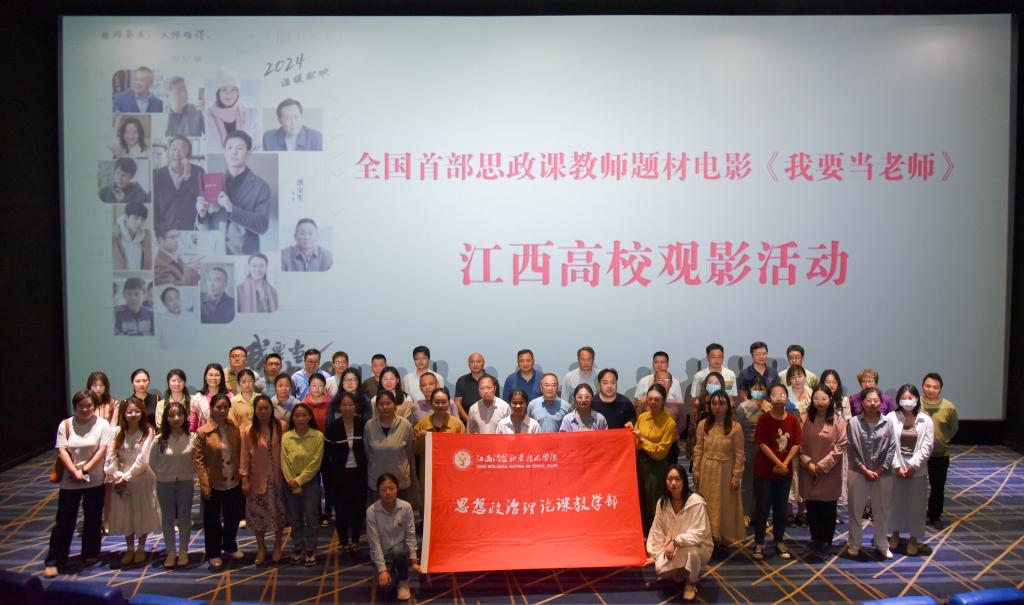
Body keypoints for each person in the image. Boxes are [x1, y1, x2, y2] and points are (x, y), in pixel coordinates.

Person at [43, 390, 112, 578]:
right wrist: (74, 471)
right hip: (70, 479)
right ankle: (55, 560)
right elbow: (62, 451)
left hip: (94, 478)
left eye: (89, 406)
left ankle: (90, 552)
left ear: (95, 406)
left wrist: (85, 470)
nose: (85, 409)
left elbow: (102, 450)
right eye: (81, 406)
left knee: (93, 517)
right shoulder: (65, 425)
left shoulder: (102, 424)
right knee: (64, 520)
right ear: (75, 407)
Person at [104, 396, 160, 566]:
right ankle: (129, 548)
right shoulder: (116, 431)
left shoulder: (148, 431)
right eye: (129, 411)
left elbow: (143, 459)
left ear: (142, 413)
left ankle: (141, 548)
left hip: (141, 477)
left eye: (137, 411)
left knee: (141, 512)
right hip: (120, 477)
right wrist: (117, 476)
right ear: (124, 413)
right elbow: (111, 456)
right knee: (126, 513)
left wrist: (126, 477)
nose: (133, 414)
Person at [197, 130, 271, 255]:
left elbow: (262, 225)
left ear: (248, 154)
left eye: (239, 148)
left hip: (245, 255)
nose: (233, 152)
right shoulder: (212, 182)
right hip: (215, 252)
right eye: (229, 148)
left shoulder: (261, 186)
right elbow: (206, 228)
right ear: (224, 152)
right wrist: (202, 216)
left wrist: (232, 209)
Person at [645, 465, 712, 602]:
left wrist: (676, 541)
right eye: (669, 479)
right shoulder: (662, 502)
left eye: (677, 479)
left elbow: (698, 534)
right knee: (661, 570)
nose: (673, 483)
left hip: (698, 546)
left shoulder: (696, 502)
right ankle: (682, 572)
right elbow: (657, 530)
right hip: (672, 548)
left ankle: (690, 583)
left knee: (692, 553)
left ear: (684, 481)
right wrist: (655, 554)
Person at [751, 383, 802, 560]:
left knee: (781, 509)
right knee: (762, 508)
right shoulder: (764, 419)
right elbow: (761, 443)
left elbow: (796, 443)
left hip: (785, 471)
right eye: (774, 395)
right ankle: (759, 543)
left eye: (782, 395)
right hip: (764, 471)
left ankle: (779, 541)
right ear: (769, 399)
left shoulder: (793, 419)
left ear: (787, 398)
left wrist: (784, 464)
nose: (779, 398)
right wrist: (778, 462)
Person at [193, 393, 244, 570]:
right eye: (219, 407)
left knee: (233, 516)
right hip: (213, 481)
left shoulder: (233, 427)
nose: (222, 411)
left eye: (225, 407)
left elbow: (239, 452)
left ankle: (229, 545)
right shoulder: (203, 432)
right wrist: (204, 484)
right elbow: (199, 461)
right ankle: (213, 553)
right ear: (212, 409)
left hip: (233, 479)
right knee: (212, 520)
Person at [846, 386, 898, 559]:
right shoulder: (853, 422)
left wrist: (881, 468)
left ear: (881, 402)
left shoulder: (888, 422)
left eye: (876, 400)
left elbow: (892, 448)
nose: (873, 403)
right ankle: (854, 543)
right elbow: (851, 449)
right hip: (858, 472)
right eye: (869, 400)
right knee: (856, 510)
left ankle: (882, 543)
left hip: (883, 473)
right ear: (862, 402)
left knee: (881, 511)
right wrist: (864, 469)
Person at [798, 386, 848, 560]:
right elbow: (800, 444)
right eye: (816, 399)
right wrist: (809, 463)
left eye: (824, 399)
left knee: (828, 509)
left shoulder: (837, 420)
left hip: (829, 472)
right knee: (812, 508)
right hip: (809, 471)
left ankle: (826, 541)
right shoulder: (805, 419)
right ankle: (815, 538)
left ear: (830, 400)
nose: (820, 402)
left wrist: (822, 466)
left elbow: (841, 445)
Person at [691, 391, 745, 554]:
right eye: (714, 403)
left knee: (724, 506)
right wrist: (696, 470)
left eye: (721, 403)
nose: (717, 407)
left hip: (726, 471)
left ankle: (722, 539)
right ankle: (709, 538)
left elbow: (740, 454)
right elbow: (698, 449)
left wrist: (736, 476)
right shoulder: (703, 425)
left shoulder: (735, 427)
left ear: (728, 406)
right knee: (707, 505)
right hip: (707, 470)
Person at [887, 384, 935, 557]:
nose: (907, 401)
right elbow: (888, 443)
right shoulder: (891, 417)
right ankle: (895, 534)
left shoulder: (926, 420)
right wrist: (897, 465)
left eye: (910, 398)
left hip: (918, 469)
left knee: (916, 505)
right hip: (896, 467)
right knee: (895, 503)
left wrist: (913, 466)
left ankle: (914, 539)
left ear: (917, 399)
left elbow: (927, 446)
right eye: (904, 398)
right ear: (898, 399)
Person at [239, 395, 287, 565]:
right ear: (255, 411)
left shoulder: (281, 426)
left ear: (271, 409)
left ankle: (277, 546)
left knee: (278, 514)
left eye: (266, 408)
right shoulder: (248, 431)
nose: (263, 411)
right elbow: (244, 456)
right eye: (259, 409)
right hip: (257, 479)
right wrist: (244, 479)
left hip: (278, 479)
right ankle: (261, 547)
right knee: (258, 516)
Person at [149, 401, 194, 568]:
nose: (176, 418)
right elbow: (152, 462)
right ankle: (171, 552)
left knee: (184, 517)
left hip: (186, 482)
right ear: (166, 418)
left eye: (179, 414)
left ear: (185, 416)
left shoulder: (191, 437)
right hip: (164, 483)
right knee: (167, 518)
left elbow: (196, 461)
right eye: (171, 415)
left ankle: (183, 551)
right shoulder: (159, 439)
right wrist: (163, 474)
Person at [325, 392, 368, 557]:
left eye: (350, 404)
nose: (347, 408)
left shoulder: (363, 424)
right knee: (341, 509)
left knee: (358, 508)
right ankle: (343, 541)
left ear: (355, 406)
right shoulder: (333, 426)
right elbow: (327, 454)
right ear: (339, 407)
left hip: (359, 472)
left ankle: (355, 540)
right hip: (339, 475)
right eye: (344, 405)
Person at [281, 402, 325, 567]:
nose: (300, 419)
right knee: (295, 519)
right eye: (297, 415)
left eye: (304, 415)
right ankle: (298, 548)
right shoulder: (286, 437)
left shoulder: (318, 436)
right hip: (290, 483)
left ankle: (311, 549)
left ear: (309, 417)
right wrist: (293, 482)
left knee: (312, 518)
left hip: (310, 483)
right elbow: (284, 462)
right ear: (292, 418)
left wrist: (299, 481)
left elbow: (316, 463)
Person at [366, 473, 420, 601]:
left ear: (397, 489)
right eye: (383, 489)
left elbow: (411, 535)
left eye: (392, 488)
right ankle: (393, 573)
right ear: (378, 491)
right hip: (384, 555)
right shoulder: (372, 511)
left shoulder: (406, 507)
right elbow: (374, 543)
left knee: (398, 550)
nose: (388, 492)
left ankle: (404, 580)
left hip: (400, 551)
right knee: (386, 587)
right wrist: (382, 570)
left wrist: (413, 561)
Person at [634, 384, 678, 535]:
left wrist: (642, 441)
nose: (652, 402)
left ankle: (656, 535)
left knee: (655, 502)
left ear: (663, 401)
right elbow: (635, 442)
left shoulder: (669, 423)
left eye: (657, 399)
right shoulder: (642, 417)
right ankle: (641, 534)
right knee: (640, 499)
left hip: (656, 467)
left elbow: (661, 451)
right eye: (650, 398)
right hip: (640, 463)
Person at [412, 387, 466, 502]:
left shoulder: (457, 424)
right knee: (428, 503)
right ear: (431, 403)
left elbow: (464, 450)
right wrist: (421, 439)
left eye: (444, 402)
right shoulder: (422, 425)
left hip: (451, 473)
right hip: (428, 473)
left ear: (449, 403)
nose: (440, 405)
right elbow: (415, 451)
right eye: (437, 402)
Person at [365, 391, 417, 507]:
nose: (385, 407)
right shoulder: (369, 426)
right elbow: (368, 453)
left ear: (394, 405)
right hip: (377, 481)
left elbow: (409, 453)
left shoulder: (405, 425)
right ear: (376, 406)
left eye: (388, 403)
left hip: (401, 481)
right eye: (381, 404)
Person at [921, 372, 958, 530]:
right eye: (928, 386)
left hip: (940, 454)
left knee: (938, 487)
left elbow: (953, 428)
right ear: (923, 386)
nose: (931, 390)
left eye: (935, 387)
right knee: (917, 487)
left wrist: (943, 440)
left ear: (940, 389)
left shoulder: (948, 406)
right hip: (919, 454)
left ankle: (935, 515)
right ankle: (915, 514)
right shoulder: (915, 404)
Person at [153, 136, 204, 232]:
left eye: (182, 149)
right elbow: (154, 209)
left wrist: (188, 176)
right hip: (165, 232)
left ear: (189, 153)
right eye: (173, 149)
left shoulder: (198, 172)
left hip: (191, 230)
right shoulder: (158, 175)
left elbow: (202, 201)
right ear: (168, 152)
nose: (176, 153)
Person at [820, 369, 852, 513]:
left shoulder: (844, 400)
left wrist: (838, 442)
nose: (831, 385)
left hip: (838, 446)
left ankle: (835, 512)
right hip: (822, 445)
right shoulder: (819, 399)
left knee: (838, 478)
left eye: (834, 382)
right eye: (828, 382)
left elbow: (846, 422)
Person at [734, 376, 766, 520]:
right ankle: (746, 513)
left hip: (765, 450)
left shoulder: (769, 406)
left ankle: (760, 515)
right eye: (755, 388)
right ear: (750, 390)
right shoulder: (743, 407)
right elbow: (738, 430)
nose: (758, 391)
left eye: (761, 388)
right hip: (748, 447)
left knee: (763, 485)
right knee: (747, 483)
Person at [207, 70, 260, 150]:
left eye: (233, 89)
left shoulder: (250, 111)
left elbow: (257, 145)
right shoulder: (208, 113)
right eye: (224, 89)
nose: (229, 94)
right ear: (218, 92)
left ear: (238, 92)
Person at [785, 365, 812, 526]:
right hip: (788, 440)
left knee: (804, 475)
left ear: (805, 377)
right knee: (789, 475)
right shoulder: (785, 393)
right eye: (793, 376)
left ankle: (802, 512)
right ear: (789, 379)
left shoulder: (811, 393)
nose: (797, 379)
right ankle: (788, 512)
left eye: (800, 376)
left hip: (807, 440)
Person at [685, 371, 725, 463]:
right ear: (705, 385)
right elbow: (693, 428)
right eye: (710, 383)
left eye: (716, 383)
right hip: (701, 447)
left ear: (721, 385)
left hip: (720, 449)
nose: (713, 385)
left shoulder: (726, 404)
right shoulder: (698, 404)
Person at [454, 352, 498, 423]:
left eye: (478, 362)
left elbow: (496, 403)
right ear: (468, 364)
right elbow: (457, 403)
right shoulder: (461, 380)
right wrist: (469, 421)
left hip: (489, 422)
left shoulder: (492, 380)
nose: (475, 364)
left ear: (483, 363)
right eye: (472, 362)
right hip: (466, 422)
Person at [189, 363, 230, 432]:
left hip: (225, 435)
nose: (213, 378)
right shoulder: (197, 399)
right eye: (211, 375)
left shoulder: (229, 396)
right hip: (202, 437)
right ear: (205, 377)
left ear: (222, 377)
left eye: (217, 375)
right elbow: (193, 425)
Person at [113, 202, 153, 271]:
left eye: (142, 220)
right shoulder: (115, 237)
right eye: (136, 218)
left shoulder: (144, 238)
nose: (139, 223)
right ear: (126, 217)